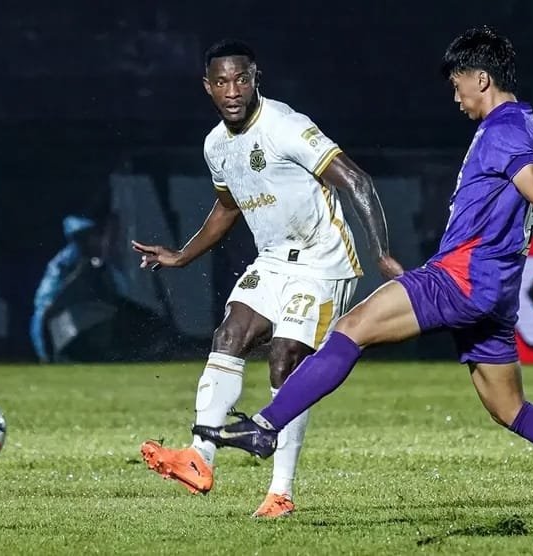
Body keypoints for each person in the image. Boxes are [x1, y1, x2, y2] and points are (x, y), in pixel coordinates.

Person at [194, 27, 533, 523]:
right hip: (494, 290)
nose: (456, 96)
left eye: (457, 84)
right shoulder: (521, 122)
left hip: (461, 278)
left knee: (350, 329)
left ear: (481, 78)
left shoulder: (505, 128)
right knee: (510, 408)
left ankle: (265, 427)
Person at [132, 39, 403, 518]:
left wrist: (381, 252)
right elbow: (227, 206)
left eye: (241, 79)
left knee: (285, 358)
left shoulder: (285, 125)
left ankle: (281, 493)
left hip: (322, 262)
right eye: (222, 82)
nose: (232, 90)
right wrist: (182, 256)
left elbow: (357, 180)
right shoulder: (215, 145)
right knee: (228, 336)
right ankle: (200, 457)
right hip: (274, 260)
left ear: (256, 78)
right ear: (208, 87)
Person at [30, 215, 128, 362]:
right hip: (54, 322)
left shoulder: (94, 263)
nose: (96, 239)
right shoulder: (69, 262)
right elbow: (50, 303)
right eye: (92, 235)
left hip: (64, 319)